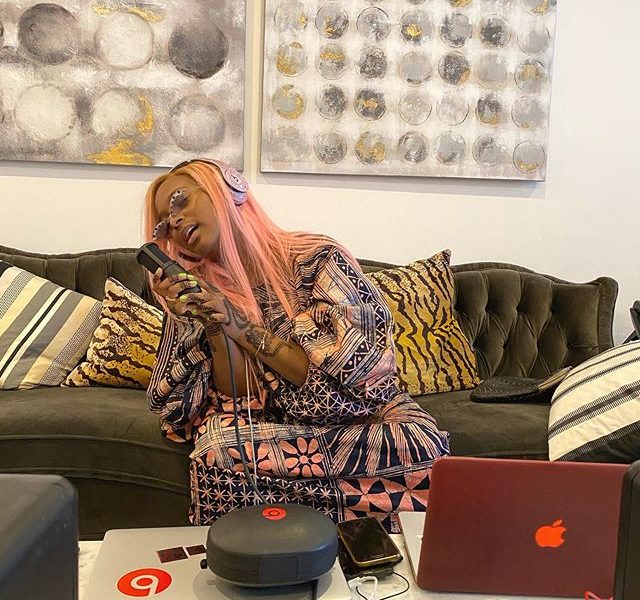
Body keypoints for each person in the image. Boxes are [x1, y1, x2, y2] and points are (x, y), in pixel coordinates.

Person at [144, 158, 450, 532]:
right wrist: (212, 323)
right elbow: (241, 395)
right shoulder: (202, 287)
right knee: (218, 449)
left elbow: (348, 380)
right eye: (164, 223)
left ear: (230, 186)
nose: (175, 221)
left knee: (419, 442)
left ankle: (340, 538)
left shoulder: (317, 257)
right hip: (277, 425)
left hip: (358, 414)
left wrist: (240, 325)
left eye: (180, 200)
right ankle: (269, 549)